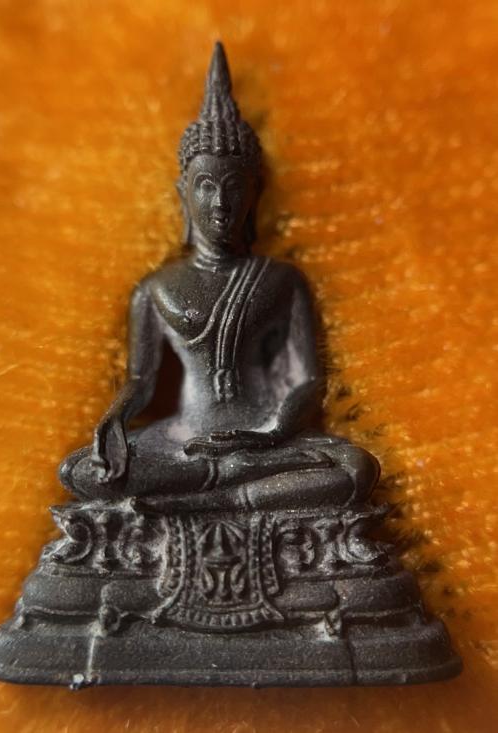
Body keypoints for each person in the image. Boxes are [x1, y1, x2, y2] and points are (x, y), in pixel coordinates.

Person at [59, 43, 379, 512]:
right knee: (78, 470)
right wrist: (114, 419)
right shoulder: (156, 289)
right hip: (183, 438)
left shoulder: (281, 280)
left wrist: (272, 432)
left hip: (263, 441)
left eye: (233, 187)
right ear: (183, 193)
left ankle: (208, 495)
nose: (220, 204)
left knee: (356, 469)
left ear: (255, 194)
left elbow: (307, 380)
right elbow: (141, 380)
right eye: (205, 186)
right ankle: (228, 487)